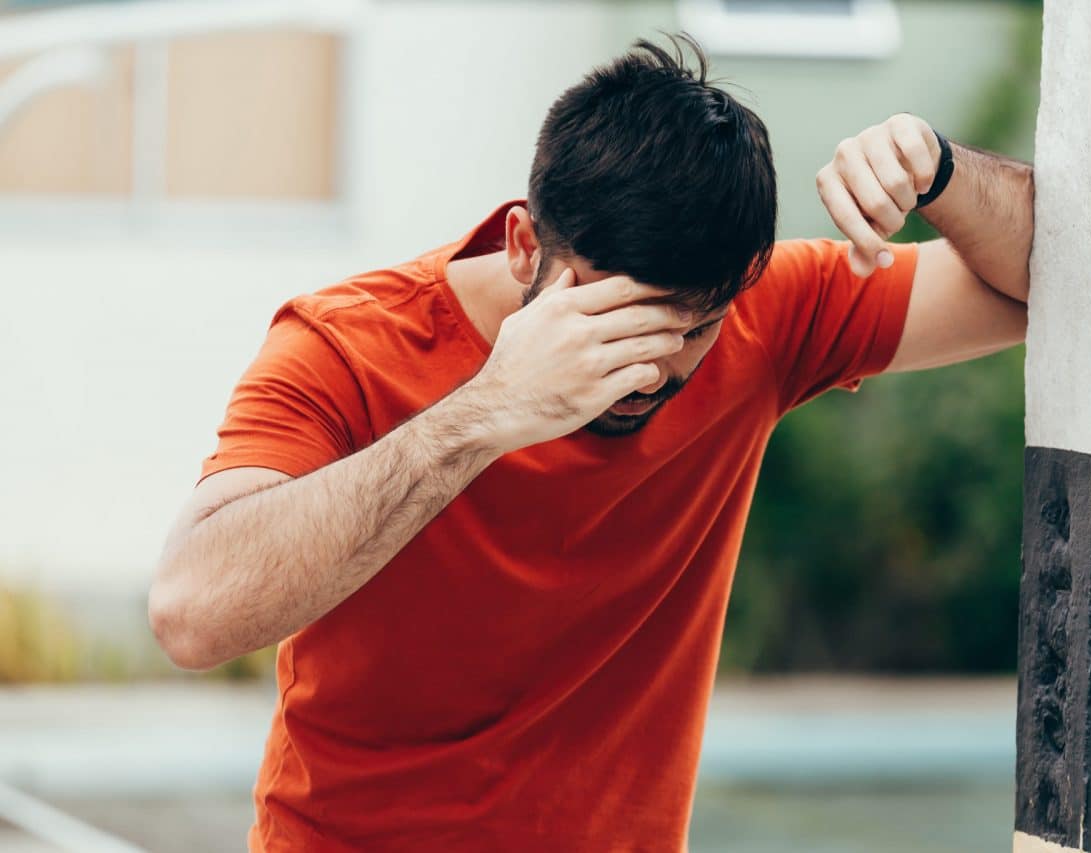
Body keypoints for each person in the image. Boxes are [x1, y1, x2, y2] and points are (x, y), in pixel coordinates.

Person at [149, 35, 1031, 852]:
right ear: (525, 247)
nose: (646, 373)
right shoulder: (346, 343)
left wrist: (941, 169)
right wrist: (484, 412)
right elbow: (192, 612)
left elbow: (1069, 277)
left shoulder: (765, 317)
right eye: (614, 325)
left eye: (686, 333)